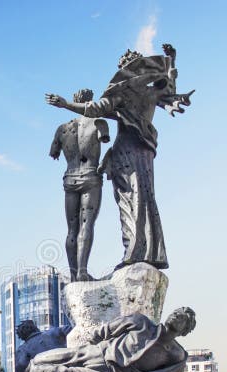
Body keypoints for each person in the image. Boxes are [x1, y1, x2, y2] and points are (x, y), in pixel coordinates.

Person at [46, 44, 193, 271]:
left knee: (128, 200)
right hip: (145, 150)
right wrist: (172, 61)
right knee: (144, 197)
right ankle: (148, 251)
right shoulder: (152, 93)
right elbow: (170, 85)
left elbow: (94, 109)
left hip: (125, 151)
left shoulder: (119, 96)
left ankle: (133, 252)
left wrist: (65, 104)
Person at [5, 307, 195, 372]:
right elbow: (105, 330)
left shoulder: (177, 356)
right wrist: (93, 344)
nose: (176, 316)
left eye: (182, 318)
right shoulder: (141, 322)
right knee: (47, 357)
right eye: (176, 312)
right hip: (99, 352)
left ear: (185, 330)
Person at [49, 88, 110, 281]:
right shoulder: (99, 123)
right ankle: (83, 270)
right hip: (91, 177)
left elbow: (53, 153)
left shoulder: (62, 129)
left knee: (71, 228)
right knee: (87, 225)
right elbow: (106, 140)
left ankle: (73, 273)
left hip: (70, 178)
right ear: (90, 102)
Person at [0, 320, 72, 372]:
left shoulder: (22, 349)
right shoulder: (53, 332)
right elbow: (70, 329)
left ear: (21, 336)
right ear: (35, 328)